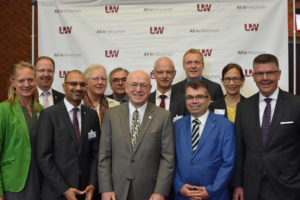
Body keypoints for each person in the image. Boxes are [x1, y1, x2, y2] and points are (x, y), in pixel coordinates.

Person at [232, 54, 300, 200]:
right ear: (253, 76)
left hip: (288, 187)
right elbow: (239, 149)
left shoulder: (296, 104)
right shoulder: (243, 107)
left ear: (279, 74)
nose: (265, 78)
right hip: (252, 187)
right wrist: (238, 184)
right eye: (259, 73)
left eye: (269, 72)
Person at [98, 70, 175, 200]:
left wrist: (160, 191)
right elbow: (104, 156)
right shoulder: (111, 115)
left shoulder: (163, 116)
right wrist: (106, 188)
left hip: (150, 192)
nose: (138, 89)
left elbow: (167, 158)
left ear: (150, 88)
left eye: (143, 85)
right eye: (133, 84)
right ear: (127, 88)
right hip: (117, 191)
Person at [36, 70, 101, 200]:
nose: (78, 88)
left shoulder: (92, 115)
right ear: (64, 87)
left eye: (82, 85)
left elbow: (96, 154)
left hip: (85, 192)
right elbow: (43, 157)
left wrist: (92, 184)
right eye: (73, 84)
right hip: (57, 193)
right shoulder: (48, 115)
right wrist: (64, 189)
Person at [173, 79, 236, 200]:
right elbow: (170, 160)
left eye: (199, 97)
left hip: (214, 195)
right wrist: (178, 185)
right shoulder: (177, 126)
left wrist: (211, 190)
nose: (194, 101)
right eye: (190, 97)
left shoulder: (225, 126)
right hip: (183, 195)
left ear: (208, 100)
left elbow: (228, 163)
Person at [0, 61, 42, 200]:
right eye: (21, 80)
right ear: (13, 82)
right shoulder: (4, 110)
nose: (26, 84)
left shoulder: (41, 110)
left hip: (38, 180)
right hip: (13, 182)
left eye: (30, 80)